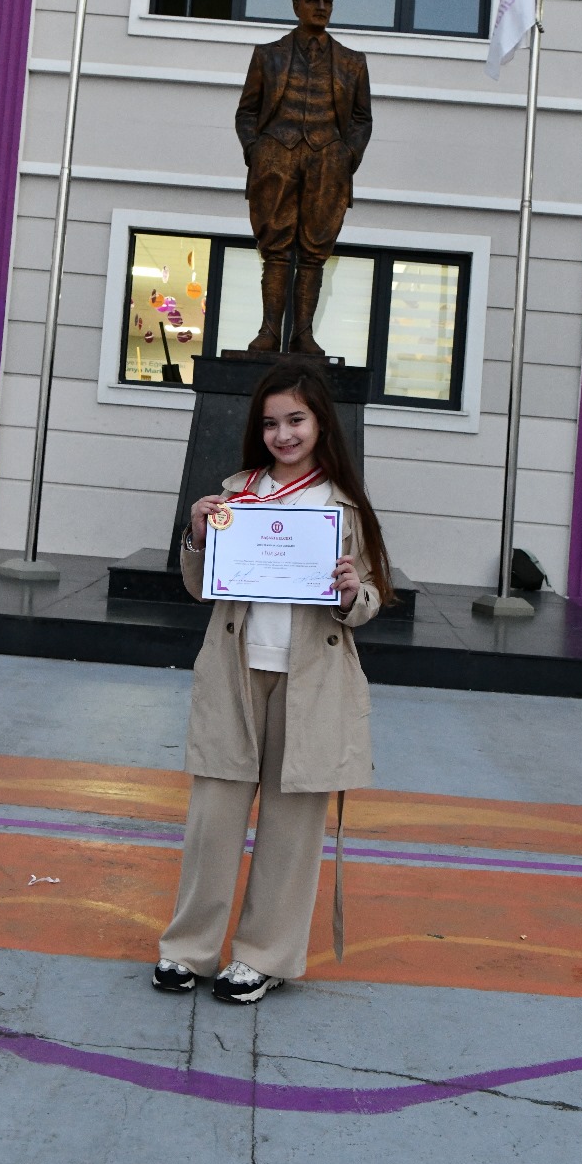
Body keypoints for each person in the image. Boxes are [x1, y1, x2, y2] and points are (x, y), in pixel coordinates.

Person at [153, 358, 392, 1004]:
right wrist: (197, 535)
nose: (283, 434)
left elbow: (373, 597)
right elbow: (200, 586)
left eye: (296, 421)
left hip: (310, 681)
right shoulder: (235, 496)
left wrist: (353, 591)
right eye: (270, 423)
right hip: (236, 671)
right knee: (213, 817)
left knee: (292, 827)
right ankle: (188, 949)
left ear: (320, 425)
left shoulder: (343, 505)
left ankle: (262, 957)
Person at [235, 0, 372, 355]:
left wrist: (347, 155)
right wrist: (256, 150)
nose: (322, 7)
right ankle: (268, 331)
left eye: (327, 1)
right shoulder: (268, 56)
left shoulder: (352, 61)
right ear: (297, 5)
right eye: (314, 0)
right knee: (275, 248)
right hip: (276, 157)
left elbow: (361, 119)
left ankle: (303, 334)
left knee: (315, 252)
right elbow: (247, 111)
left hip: (328, 161)